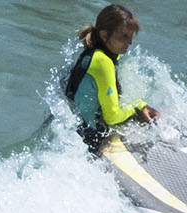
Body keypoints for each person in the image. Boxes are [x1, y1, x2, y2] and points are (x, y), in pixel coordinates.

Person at [64, 4, 160, 148]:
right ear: (104, 35)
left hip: (69, 129)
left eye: (131, 36)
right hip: (87, 139)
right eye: (124, 36)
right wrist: (136, 107)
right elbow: (112, 116)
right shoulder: (103, 62)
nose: (130, 42)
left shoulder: (96, 53)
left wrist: (138, 105)